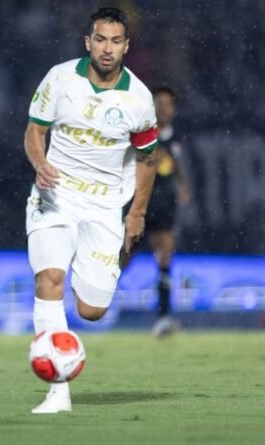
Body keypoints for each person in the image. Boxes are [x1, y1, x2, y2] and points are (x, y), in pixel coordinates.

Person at [23, 8, 158, 414]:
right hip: (56, 197)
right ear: (88, 41)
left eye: (116, 42)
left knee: (92, 310)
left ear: (126, 47)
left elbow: (148, 159)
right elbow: (35, 131)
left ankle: (97, 268)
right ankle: (57, 391)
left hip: (104, 206)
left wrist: (136, 214)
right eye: (101, 39)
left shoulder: (139, 98)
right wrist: (40, 163)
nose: (107, 48)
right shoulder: (60, 78)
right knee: (49, 279)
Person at [122, 87, 191, 338]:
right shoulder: (140, 132)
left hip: (164, 203)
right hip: (139, 201)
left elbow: (173, 164)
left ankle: (163, 317)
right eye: (158, 103)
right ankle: (95, 300)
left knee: (165, 256)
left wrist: (182, 185)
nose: (163, 108)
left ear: (173, 109)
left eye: (167, 104)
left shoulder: (175, 136)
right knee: (124, 257)